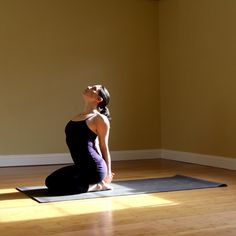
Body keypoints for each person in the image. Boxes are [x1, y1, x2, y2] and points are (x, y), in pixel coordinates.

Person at [45, 84, 114, 195]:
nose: (89, 86)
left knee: (60, 187)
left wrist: (108, 173)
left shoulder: (99, 119)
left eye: (94, 88)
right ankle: (93, 184)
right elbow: (93, 143)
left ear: (99, 99)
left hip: (94, 168)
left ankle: (97, 185)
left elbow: (103, 147)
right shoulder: (78, 116)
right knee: (50, 181)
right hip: (80, 166)